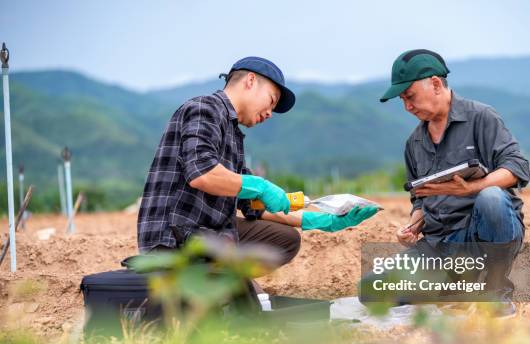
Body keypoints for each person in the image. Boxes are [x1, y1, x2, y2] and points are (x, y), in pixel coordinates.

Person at [137, 56, 378, 268]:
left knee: (285, 239)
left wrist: (321, 221)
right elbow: (202, 173)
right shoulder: (204, 109)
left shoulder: (232, 134)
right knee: (247, 306)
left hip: (209, 234)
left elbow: (255, 208)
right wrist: (261, 186)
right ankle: (217, 289)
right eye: (271, 100)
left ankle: (225, 286)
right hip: (174, 238)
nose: (269, 113)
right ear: (250, 81)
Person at [374, 49, 530, 316]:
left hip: (479, 235)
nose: (407, 107)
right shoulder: (414, 143)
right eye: (402, 100)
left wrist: (472, 188)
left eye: (410, 97)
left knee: (492, 198)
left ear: (435, 84)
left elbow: (517, 167)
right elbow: (421, 198)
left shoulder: (481, 118)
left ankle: (495, 292)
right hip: (440, 246)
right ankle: (459, 287)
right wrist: (413, 226)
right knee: (375, 290)